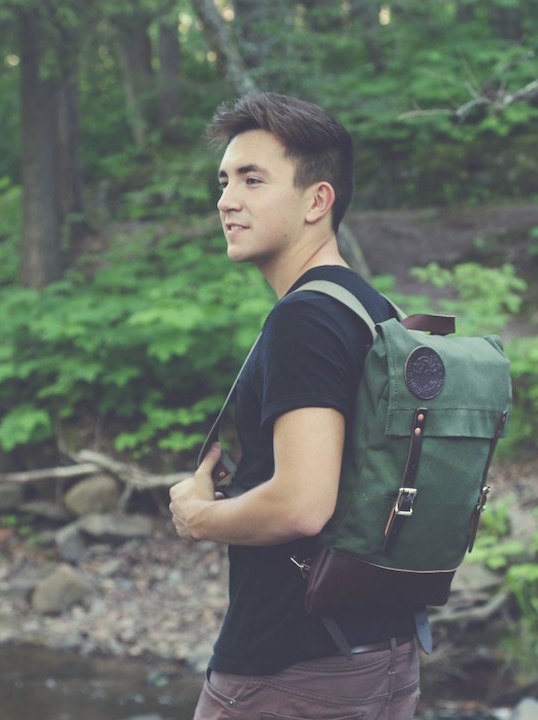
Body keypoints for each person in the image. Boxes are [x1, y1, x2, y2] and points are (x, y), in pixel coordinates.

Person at [169, 92, 422, 720]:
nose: (227, 200)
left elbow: (302, 504)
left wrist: (200, 517)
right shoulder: (374, 311)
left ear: (317, 201)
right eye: (224, 181)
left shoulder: (304, 319)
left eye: (253, 180)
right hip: (382, 655)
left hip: (290, 668)